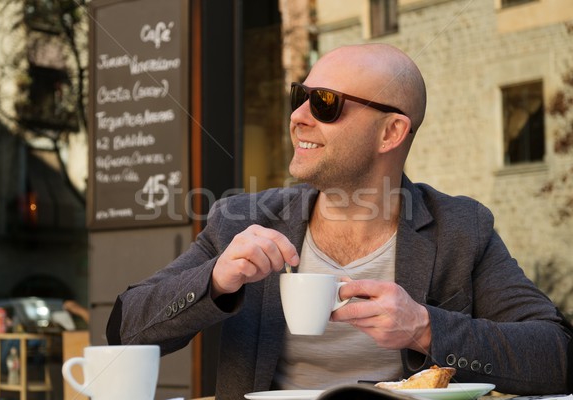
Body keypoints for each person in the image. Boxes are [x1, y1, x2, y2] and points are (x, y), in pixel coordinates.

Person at [106, 44, 572, 398]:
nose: (298, 117)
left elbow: (556, 355)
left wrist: (425, 327)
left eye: (325, 103)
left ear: (391, 132)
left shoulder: (460, 229)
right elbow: (125, 330)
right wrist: (215, 279)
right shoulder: (242, 221)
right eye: (300, 97)